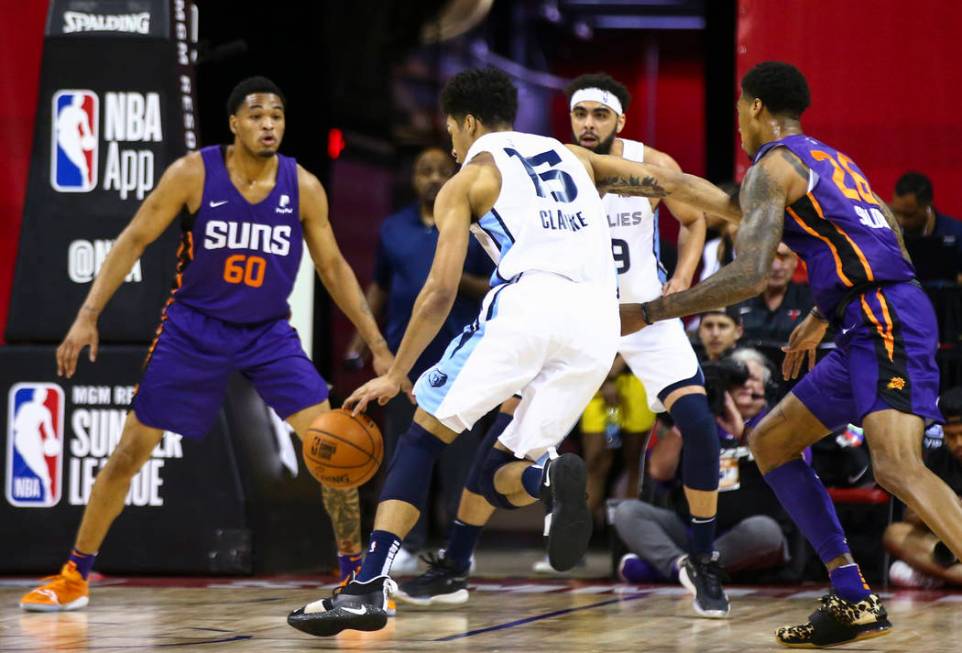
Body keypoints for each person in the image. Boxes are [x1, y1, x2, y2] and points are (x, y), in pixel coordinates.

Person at [286, 67, 737, 637]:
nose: (450, 144)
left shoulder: (471, 176)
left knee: (423, 435)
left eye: (451, 130)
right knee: (502, 464)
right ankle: (543, 483)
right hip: (597, 323)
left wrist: (397, 373)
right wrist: (752, 217)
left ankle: (367, 587)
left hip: (527, 306)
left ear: (469, 122)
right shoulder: (573, 156)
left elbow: (440, 290)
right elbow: (673, 186)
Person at [19, 77, 393, 612]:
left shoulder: (303, 186)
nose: (269, 124)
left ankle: (358, 580)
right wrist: (87, 316)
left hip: (267, 333)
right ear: (235, 123)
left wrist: (376, 345)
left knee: (332, 449)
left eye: (278, 116)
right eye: (258, 115)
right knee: (129, 452)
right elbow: (134, 239)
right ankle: (75, 573)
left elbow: (333, 267)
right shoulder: (194, 173)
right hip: (194, 328)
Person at [622, 61, 962, 647]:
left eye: (736, 109)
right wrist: (821, 313)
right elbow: (890, 238)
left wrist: (652, 311)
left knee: (897, 467)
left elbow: (751, 273)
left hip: (884, 319)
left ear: (754, 107)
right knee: (771, 441)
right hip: (865, 318)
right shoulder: (831, 160)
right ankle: (852, 595)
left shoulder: (770, 167)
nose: (736, 121)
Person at [344, 147, 493, 571]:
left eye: (441, 171)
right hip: (403, 363)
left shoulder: (474, 226)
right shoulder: (393, 228)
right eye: (423, 170)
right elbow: (379, 288)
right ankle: (407, 545)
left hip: (458, 358)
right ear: (412, 178)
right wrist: (362, 342)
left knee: (458, 458)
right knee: (404, 455)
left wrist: (453, 281)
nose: (432, 178)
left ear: (456, 176)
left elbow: (495, 286)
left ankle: (456, 546)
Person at [616, 348, 793, 584]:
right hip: (690, 529)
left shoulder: (777, 421)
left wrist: (741, 433)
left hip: (746, 535)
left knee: (764, 530)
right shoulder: (702, 423)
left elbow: (793, 465)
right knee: (628, 512)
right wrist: (688, 421)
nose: (747, 387)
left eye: (753, 380)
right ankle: (684, 567)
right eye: (739, 380)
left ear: (767, 387)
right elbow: (659, 471)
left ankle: (675, 570)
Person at [884, 386, 962, 588]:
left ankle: (934, 575)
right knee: (896, 534)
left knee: (901, 571)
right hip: (945, 542)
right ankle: (952, 576)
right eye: (950, 436)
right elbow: (911, 517)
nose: (958, 443)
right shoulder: (937, 460)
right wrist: (936, 508)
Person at [890, 171, 962, 284]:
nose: (901, 221)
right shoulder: (887, 232)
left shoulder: (956, 233)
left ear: (928, 206)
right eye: (897, 213)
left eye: (909, 215)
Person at [734, 242, 813, 344]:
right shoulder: (737, 299)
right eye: (769, 258)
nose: (776, 267)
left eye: (784, 257)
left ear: (795, 261)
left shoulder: (813, 301)